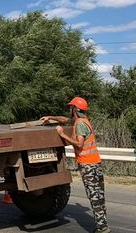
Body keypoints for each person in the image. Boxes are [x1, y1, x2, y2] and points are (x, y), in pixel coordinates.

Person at [41, 97, 110, 233]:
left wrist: (62, 134)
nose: (69, 109)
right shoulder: (82, 120)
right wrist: (50, 118)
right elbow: (65, 120)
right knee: (98, 194)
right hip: (94, 162)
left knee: (94, 195)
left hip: (88, 164)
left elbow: (79, 143)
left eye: (71, 107)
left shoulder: (79, 125)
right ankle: (102, 224)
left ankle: (102, 228)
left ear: (75, 109)